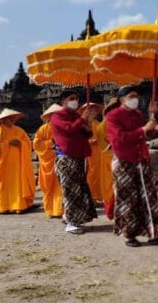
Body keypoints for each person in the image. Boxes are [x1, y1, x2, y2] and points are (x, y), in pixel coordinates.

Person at [106, 85, 158, 247]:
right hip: (124, 161)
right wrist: (143, 129)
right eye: (131, 96)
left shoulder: (137, 114)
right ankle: (128, 233)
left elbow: (148, 133)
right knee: (128, 198)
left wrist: (151, 116)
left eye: (136, 96)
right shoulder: (113, 116)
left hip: (141, 159)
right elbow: (119, 139)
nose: (135, 99)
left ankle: (153, 231)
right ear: (121, 99)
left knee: (148, 196)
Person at [50, 91, 100, 234]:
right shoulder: (57, 116)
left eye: (76, 98)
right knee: (71, 190)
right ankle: (71, 222)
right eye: (71, 98)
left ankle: (69, 216)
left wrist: (88, 124)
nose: (75, 101)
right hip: (66, 158)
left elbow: (86, 134)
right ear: (63, 101)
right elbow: (69, 129)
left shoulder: (76, 116)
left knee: (79, 189)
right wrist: (83, 118)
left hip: (79, 156)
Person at [0, 109, 36, 214]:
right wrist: (7, 143)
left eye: (13, 119)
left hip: (17, 164)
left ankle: (18, 205)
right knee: (2, 185)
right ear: (3, 120)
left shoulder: (19, 130)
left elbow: (28, 143)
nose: (12, 120)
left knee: (17, 184)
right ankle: (2, 206)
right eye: (10, 119)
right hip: (2, 164)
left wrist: (21, 143)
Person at [33, 103, 63, 219]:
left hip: (63, 160)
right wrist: (51, 142)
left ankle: (60, 209)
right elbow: (36, 144)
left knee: (62, 186)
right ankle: (51, 209)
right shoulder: (43, 129)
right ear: (49, 116)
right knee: (49, 187)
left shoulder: (65, 127)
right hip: (48, 162)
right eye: (54, 115)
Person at [91, 99, 118, 219]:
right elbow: (104, 145)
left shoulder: (119, 123)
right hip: (109, 159)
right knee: (111, 185)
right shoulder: (102, 126)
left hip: (121, 158)